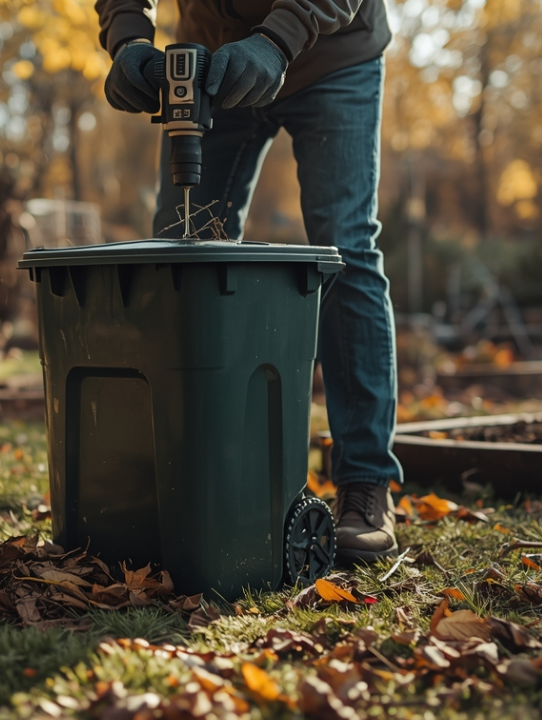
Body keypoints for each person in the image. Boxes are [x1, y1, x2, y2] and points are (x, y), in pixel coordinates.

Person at [96, 0, 401, 563]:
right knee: (178, 249)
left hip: (332, 55)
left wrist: (279, 39)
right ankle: (185, 476)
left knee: (345, 248)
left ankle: (365, 483)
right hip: (214, 62)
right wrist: (127, 37)